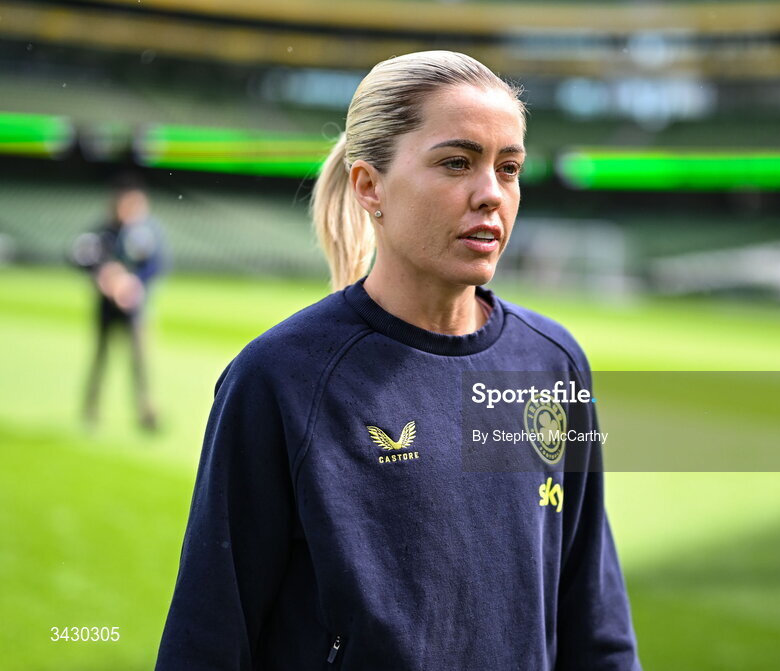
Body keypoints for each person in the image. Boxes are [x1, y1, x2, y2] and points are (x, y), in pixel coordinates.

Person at [156, 51, 640, 669]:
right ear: (369, 185)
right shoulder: (281, 378)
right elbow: (209, 638)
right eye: (456, 162)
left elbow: (594, 626)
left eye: (509, 167)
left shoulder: (554, 363)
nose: (491, 194)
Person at [72, 178, 165, 431]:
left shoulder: (143, 234)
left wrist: (133, 282)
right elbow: (81, 258)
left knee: (139, 361)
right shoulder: (103, 232)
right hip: (106, 307)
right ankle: (90, 409)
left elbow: (157, 265)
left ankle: (146, 412)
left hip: (133, 308)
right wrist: (104, 277)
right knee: (100, 358)